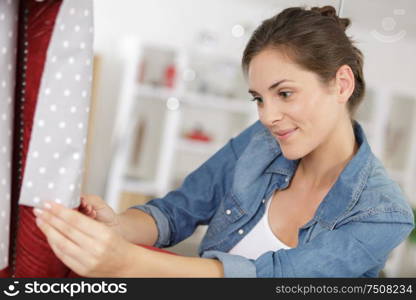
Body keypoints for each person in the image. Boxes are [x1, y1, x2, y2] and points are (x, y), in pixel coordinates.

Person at [33, 5, 415, 277]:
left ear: (342, 84)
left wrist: (129, 264)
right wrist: (117, 228)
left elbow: (273, 278)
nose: (267, 116)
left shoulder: (383, 213)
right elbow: (176, 212)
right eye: (259, 99)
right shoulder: (259, 143)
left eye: (284, 93)